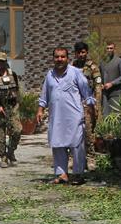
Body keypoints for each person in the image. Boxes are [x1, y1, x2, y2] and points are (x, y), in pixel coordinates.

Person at [37, 47, 95, 185]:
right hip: (56, 117)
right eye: (57, 57)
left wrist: (92, 109)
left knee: (77, 146)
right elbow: (44, 96)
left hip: (74, 117)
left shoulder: (76, 73)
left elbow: (87, 93)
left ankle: (78, 174)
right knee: (57, 145)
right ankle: (61, 174)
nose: (59, 59)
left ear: (67, 58)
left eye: (62, 57)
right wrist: (40, 110)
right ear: (53, 59)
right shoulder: (49, 75)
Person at [73, 41, 103, 170]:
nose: (81, 55)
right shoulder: (72, 67)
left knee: (89, 131)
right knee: (74, 131)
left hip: (88, 103)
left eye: (83, 52)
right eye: (78, 52)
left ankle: (91, 158)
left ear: (86, 52)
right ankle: (76, 158)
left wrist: (96, 104)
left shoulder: (92, 67)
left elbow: (97, 86)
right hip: (74, 103)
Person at [100, 42, 121, 117]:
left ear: (115, 49)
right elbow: (99, 76)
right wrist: (100, 84)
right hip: (105, 94)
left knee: (116, 116)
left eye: (111, 48)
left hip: (116, 93)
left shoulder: (120, 61)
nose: (109, 50)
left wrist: (112, 83)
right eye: (107, 48)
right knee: (105, 116)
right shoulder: (102, 62)